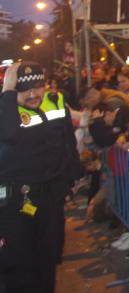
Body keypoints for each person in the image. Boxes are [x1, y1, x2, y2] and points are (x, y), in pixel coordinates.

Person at [0, 62, 81, 292]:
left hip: (50, 200)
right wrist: (7, 90)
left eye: (37, 87)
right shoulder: (6, 108)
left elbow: (68, 141)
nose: (33, 94)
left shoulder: (55, 102)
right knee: (17, 265)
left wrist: (70, 180)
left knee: (47, 260)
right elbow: (8, 133)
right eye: (24, 89)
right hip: (15, 203)